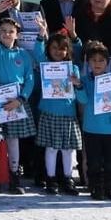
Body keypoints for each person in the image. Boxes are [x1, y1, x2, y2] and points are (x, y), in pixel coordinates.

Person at [0, 0, 43, 194]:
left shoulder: (23, 55)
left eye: (11, 31)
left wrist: (21, 99)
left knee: (14, 140)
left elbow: (30, 79)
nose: (7, 34)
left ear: (17, 34)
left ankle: (14, 175)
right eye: (3, 31)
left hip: (16, 101)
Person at [35, 31, 83, 196]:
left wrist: (77, 83)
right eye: (54, 48)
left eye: (62, 49)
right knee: (51, 148)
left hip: (68, 115)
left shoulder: (73, 68)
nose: (58, 52)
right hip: (49, 113)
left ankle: (68, 178)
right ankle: (51, 178)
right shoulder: (45, 65)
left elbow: (79, 90)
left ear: (67, 51)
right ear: (48, 49)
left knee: (67, 149)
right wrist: (41, 36)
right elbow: (36, 52)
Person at [75, 42, 111, 201]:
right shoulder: (85, 80)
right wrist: (79, 87)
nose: (97, 64)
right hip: (92, 128)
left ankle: (110, 186)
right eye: (93, 60)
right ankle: (95, 186)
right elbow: (83, 100)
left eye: (101, 60)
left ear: (107, 63)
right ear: (88, 62)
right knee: (94, 162)